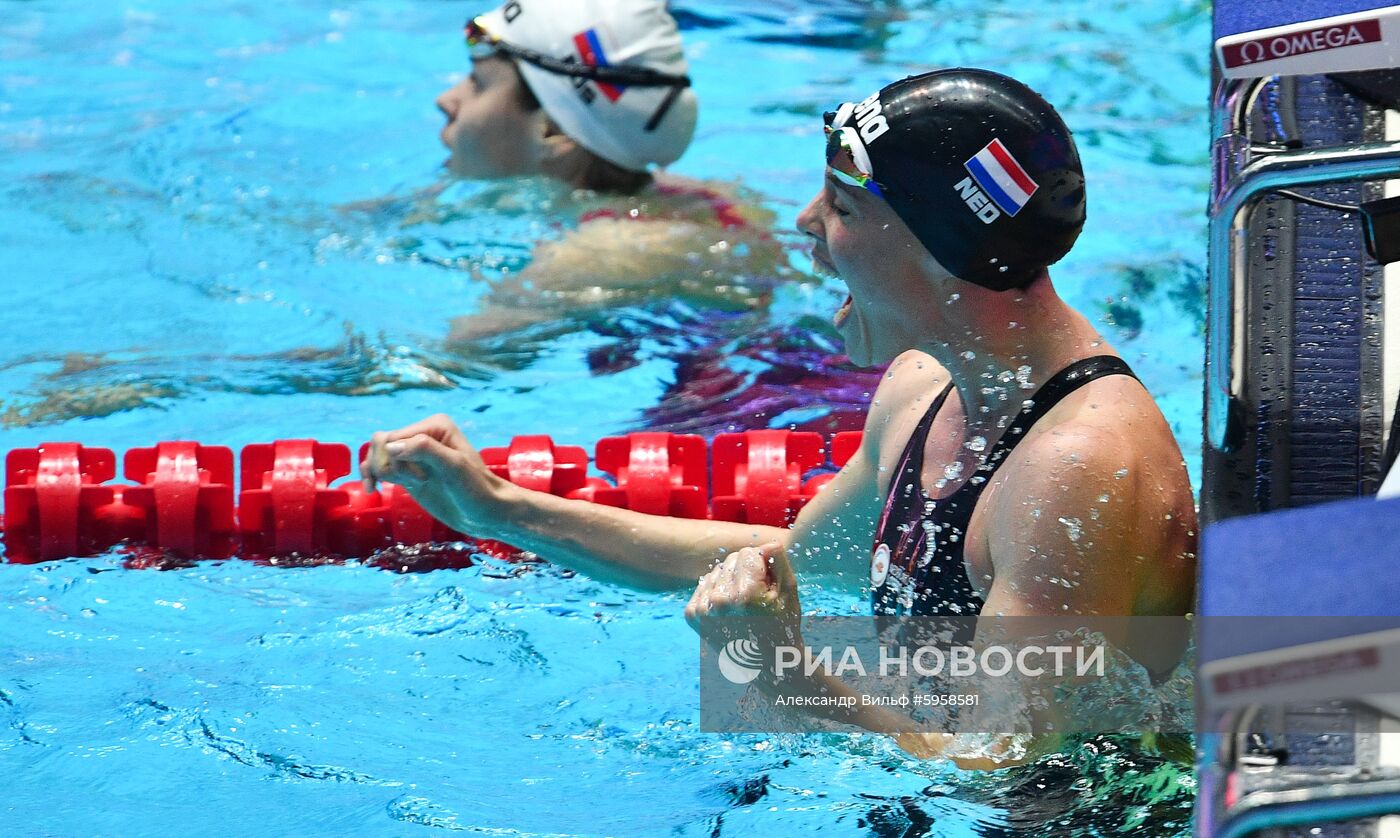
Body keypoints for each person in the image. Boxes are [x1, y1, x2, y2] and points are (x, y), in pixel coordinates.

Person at [361, 68, 1197, 766]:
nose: (804, 224)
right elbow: (789, 563)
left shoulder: (1075, 470)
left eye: (841, 206)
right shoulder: (921, 387)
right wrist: (500, 508)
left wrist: (779, 667)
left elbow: (997, 769)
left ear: (940, 247)